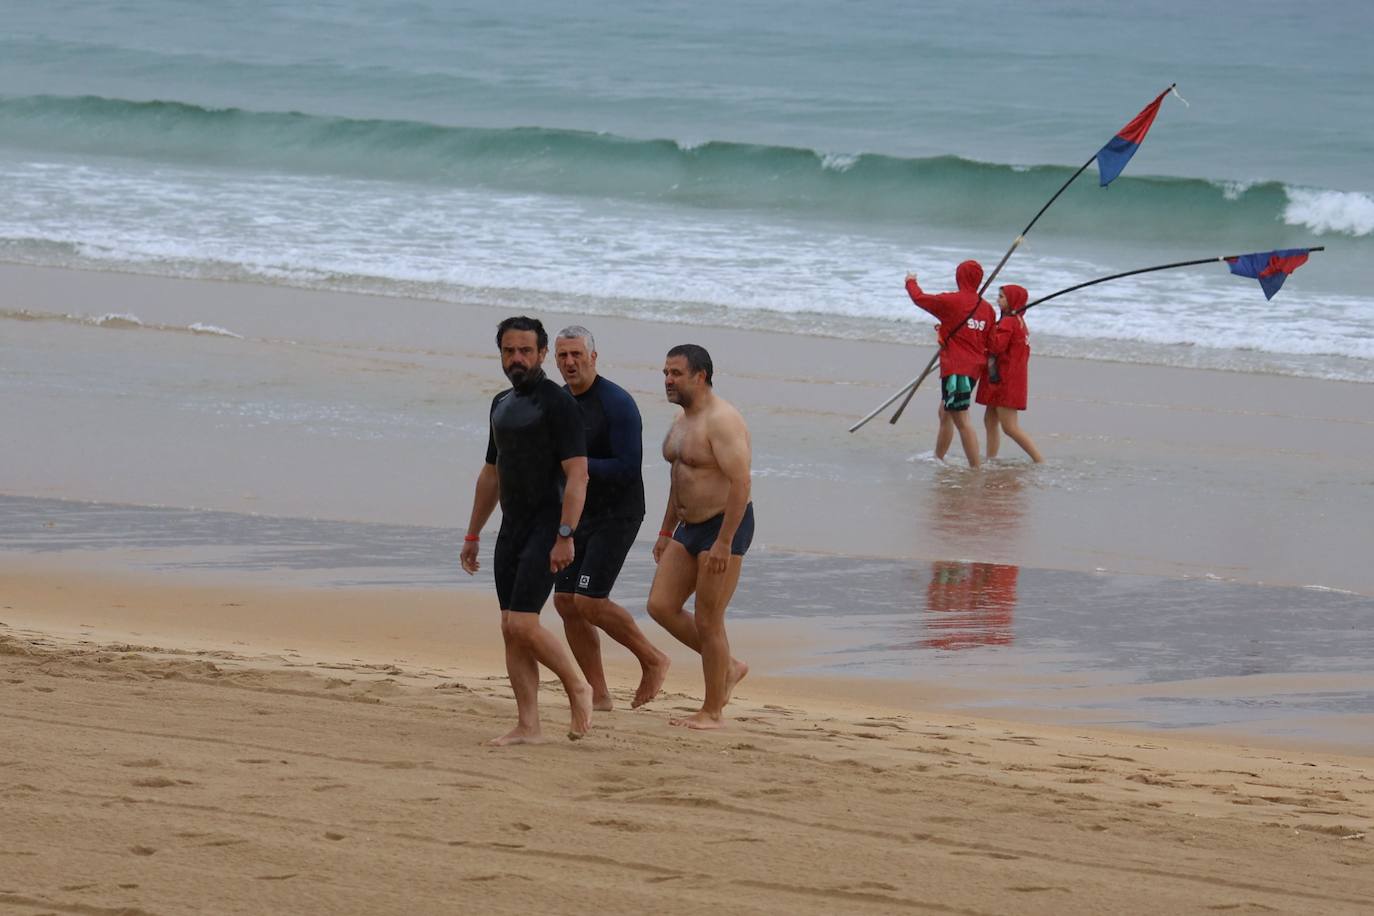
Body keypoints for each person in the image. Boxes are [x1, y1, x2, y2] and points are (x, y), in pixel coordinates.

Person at [459, 315, 594, 746]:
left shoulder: (559, 404)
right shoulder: (500, 403)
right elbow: (491, 474)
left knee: (522, 624)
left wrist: (565, 534)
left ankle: (578, 686)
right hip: (512, 529)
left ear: (542, 354)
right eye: (508, 351)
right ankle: (528, 725)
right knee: (510, 627)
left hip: (548, 528)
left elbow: (578, 475)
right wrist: (473, 534)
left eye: (525, 351)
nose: (516, 358)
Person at [550, 326, 671, 710]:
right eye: (563, 355)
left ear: (593, 357)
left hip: (619, 512)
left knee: (588, 601)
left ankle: (653, 659)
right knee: (565, 602)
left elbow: (627, 467)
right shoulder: (558, 402)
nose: (570, 362)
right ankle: (599, 694)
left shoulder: (617, 403)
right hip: (577, 513)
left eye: (576, 354)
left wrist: (576, 465)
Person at [646, 344, 752, 730]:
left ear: (700, 376)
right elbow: (680, 479)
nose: (668, 380)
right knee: (661, 606)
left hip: (723, 526)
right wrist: (665, 530)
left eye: (676, 373)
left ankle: (712, 711)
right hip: (687, 526)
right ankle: (728, 667)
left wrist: (724, 542)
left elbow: (741, 483)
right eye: (665, 373)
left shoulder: (722, 421)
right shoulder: (681, 419)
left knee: (709, 620)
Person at [905, 260, 996, 468]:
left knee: (961, 419)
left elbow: (919, 298)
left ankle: (975, 468)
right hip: (973, 369)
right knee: (945, 412)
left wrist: (910, 281)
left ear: (959, 277)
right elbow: (990, 343)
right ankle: (938, 458)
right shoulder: (987, 309)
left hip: (957, 369)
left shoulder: (952, 301)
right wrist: (946, 329)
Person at [976, 284, 1044, 463]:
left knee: (1010, 427)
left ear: (1013, 300)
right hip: (1007, 377)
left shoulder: (1009, 322)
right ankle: (991, 458)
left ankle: (1039, 460)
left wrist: (984, 333)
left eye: (1002, 297)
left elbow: (996, 346)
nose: (997, 300)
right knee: (990, 420)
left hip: (1005, 380)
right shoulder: (1019, 321)